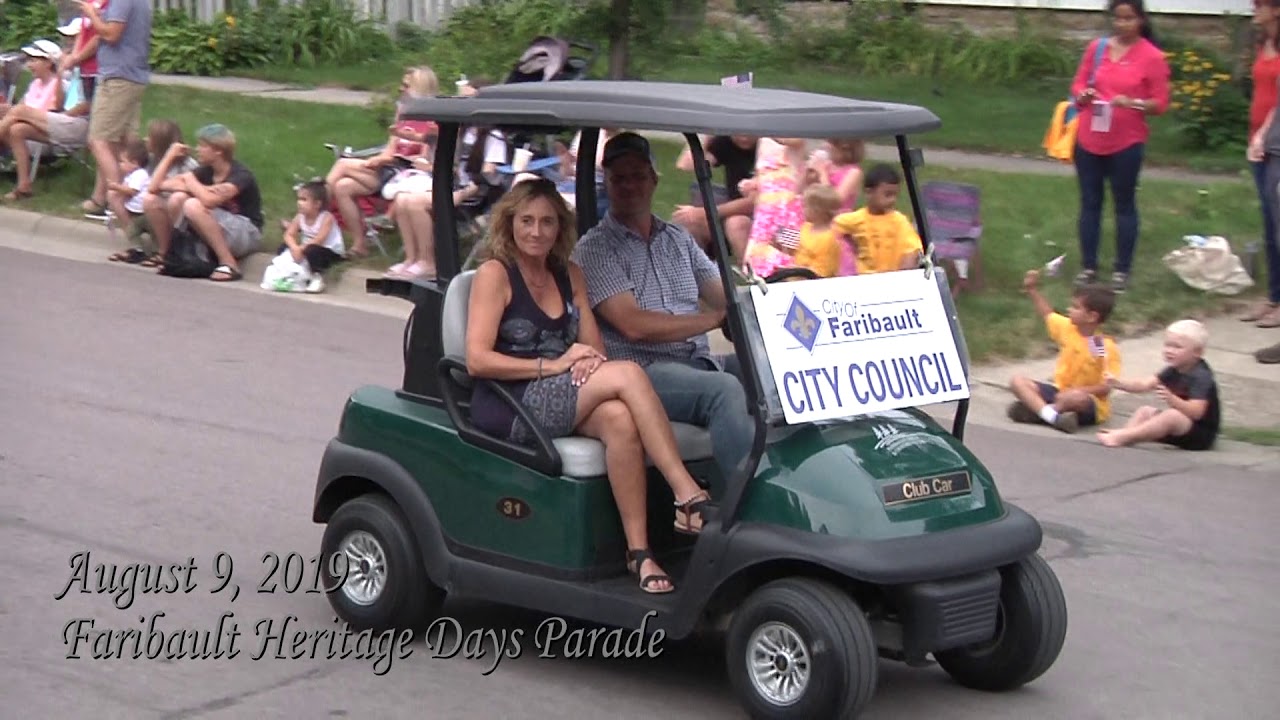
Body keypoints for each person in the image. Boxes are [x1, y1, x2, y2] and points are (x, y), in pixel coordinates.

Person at [466, 178, 711, 594]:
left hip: (561, 389)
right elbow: (477, 360)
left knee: (619, 419)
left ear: (559, 228)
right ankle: (686, 491)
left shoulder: (570, 275)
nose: (536, 231)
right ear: (510, 224)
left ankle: (639, 552)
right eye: (526, 221)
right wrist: (554, 365)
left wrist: (581, 362)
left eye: (547, 222)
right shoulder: (495, 275)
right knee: (629, 374)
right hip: (512, 400)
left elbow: (595, 349)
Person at [571, 132, 754, 492]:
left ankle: (802, 481)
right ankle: (750, 501)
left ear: (654, 179)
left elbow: (722, 296)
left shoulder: (678, 239)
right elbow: (633, 325)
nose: (629, 186)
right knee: (724, 390)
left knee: (771, 374)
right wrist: (712, 321)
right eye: (619, 178)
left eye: (638, 175)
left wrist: (763, 304)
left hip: (696, 360)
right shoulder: (594, 250)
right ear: (607, 183)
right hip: (642, 371)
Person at [1069, 0, 1170, 294]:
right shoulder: (1097, 49)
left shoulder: (1152, 57)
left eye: (1129, 18)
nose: (1122, 24)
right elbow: (1078, 85)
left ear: (1141, 20)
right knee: (1090, 202)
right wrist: (1084, 95)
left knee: (1123, 203)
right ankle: (1089, 266)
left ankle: (1121, 270)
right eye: (1118, 18)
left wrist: (1133, 102)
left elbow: (1160, 103)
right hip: (1090, 137)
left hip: (1126, 141)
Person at [324, 66, 438, 257]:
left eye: (406, 85)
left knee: (342, 164)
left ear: (420, 87)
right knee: (343, 187)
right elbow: (391, 148)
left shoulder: (433, 120)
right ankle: (359, 244)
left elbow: (423, 159)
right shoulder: (403, 112)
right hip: (389, 170)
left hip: (409, 175)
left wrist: (384, 160)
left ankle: (315, 211)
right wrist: (379, 159)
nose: (401, 89)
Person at [143, 123, 263, 281]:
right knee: (169, 199)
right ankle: (173, 255)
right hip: (219, 227)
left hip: (246, 231)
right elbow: (154, 187)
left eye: (203, 146)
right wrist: (169, 156)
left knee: (192, 205)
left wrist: (190, 180)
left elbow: (209, 201)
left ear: (218, 150)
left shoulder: (240, 174)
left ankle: (229, 263)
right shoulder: (205, 171)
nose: (197, 149)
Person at [1008, 270, 1121, 433]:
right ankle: (1053, 417)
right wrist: (1032, 290)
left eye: (1076, 307)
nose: (1069, 309)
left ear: (1092, 316)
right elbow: (1047, 314)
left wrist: (1080, 391)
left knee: (1075, 398)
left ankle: (1040, 411)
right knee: (1017, 381)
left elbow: (1106, 387)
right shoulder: (1069, 328)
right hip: (1060, 390)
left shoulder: (1098, 344)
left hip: (1086, 400)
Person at [78, 0, 152, 218]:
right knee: (118, 142)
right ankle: (101, 198)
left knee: (98, 140)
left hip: (118, 77)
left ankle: (116, 200)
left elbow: (111, 35)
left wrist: (92, 15)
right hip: (132, 75)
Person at [1098, 319, 1219, 450]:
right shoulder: (1173, 370)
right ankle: (1126, 434)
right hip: (1179, 428)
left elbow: (1196, 413)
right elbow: (1143, 385)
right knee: (1145, 411)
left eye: (1177, 347)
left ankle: (1124, 436)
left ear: (1197, 352)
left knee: (1171, 415)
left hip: (1199, 435)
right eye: (1167, 345)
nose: (1169, 350)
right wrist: (1118, 383)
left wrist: (1172, 399)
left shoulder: (1201, 376)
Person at [1, 40, 88, 202]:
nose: (29, 65)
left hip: (52, 137)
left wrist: (60, 75)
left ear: (48, 63)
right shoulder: (35, 84)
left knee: (18, 113)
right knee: (16, 129)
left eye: (34, 60)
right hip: (31, 131)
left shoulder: (62, 83)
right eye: (29, 60)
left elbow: (57, 109)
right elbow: (17, 110)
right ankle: (24, 186)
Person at [108, 118, 199, 265]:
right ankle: (136, 245)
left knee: (152, 200)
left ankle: (163, 252)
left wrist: (169, 158)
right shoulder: (150, 160)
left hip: (172, 214)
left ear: (160, 143)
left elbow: (156, 190)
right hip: (147, 211)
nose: (146, 139)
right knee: (114, 195)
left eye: (150, 137)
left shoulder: (187, 165)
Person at [1245, 0, 1280, 328]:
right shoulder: (1262, 43)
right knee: (1269, 225)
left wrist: (1264, 134)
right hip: (1259, 142)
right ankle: (1273, 296)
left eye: (1260, 4)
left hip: (1275, 142)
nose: (1253, 7)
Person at [672, 134, 757, 260]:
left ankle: (753, 270)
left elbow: (755, 203)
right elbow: (686, 164)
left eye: (748, 133)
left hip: (766, 216)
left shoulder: (768, 149)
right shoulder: (726, 143)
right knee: (688, 221)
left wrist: (705, 212)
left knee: (737, 223)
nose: (744, 137)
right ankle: (698, 269)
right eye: (738, 132)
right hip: (731, 209)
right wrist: (704, 134)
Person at [830, 164, 923, 274]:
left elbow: (912, 250)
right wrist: (848, 243)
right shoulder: (856, 219)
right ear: (869, 192)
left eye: (895, 195)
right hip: (865, 278)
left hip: (893, 277)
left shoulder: (900, 221)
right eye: (888, 195)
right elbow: (829, 228)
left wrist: (903, 274)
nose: (892, 200)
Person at [275, 180, 345, 293]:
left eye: (304, 200)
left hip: (328, 251)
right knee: (283, 247)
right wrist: (294, 247)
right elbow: (289, 234)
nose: (299, 203)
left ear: (317, 204)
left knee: (312, 251)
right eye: (298, 199)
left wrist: (301, 249)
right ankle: (286, 271)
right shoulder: (300, 217)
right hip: (306, 248)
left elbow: (319, 240)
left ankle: (317, 277)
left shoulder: (326, 218)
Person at [787, 183, 844, 278]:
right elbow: (797, 249)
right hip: (795, 278)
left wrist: (797, 269)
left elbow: (823, 271)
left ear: (817, 211)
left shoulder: (829, 239)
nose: (802, 209)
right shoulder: (805, 227)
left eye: (805, 206)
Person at [104, 138, 149, 245]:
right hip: (132, 206)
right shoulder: (130, 175)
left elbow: (132, 191)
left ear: (134, 163)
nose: (120, 164)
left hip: (139, 210)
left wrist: (116, 187)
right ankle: (129, 230)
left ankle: (133, 234)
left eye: (123, 162)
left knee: (114, 195)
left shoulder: (140, 174)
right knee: (113, 196)